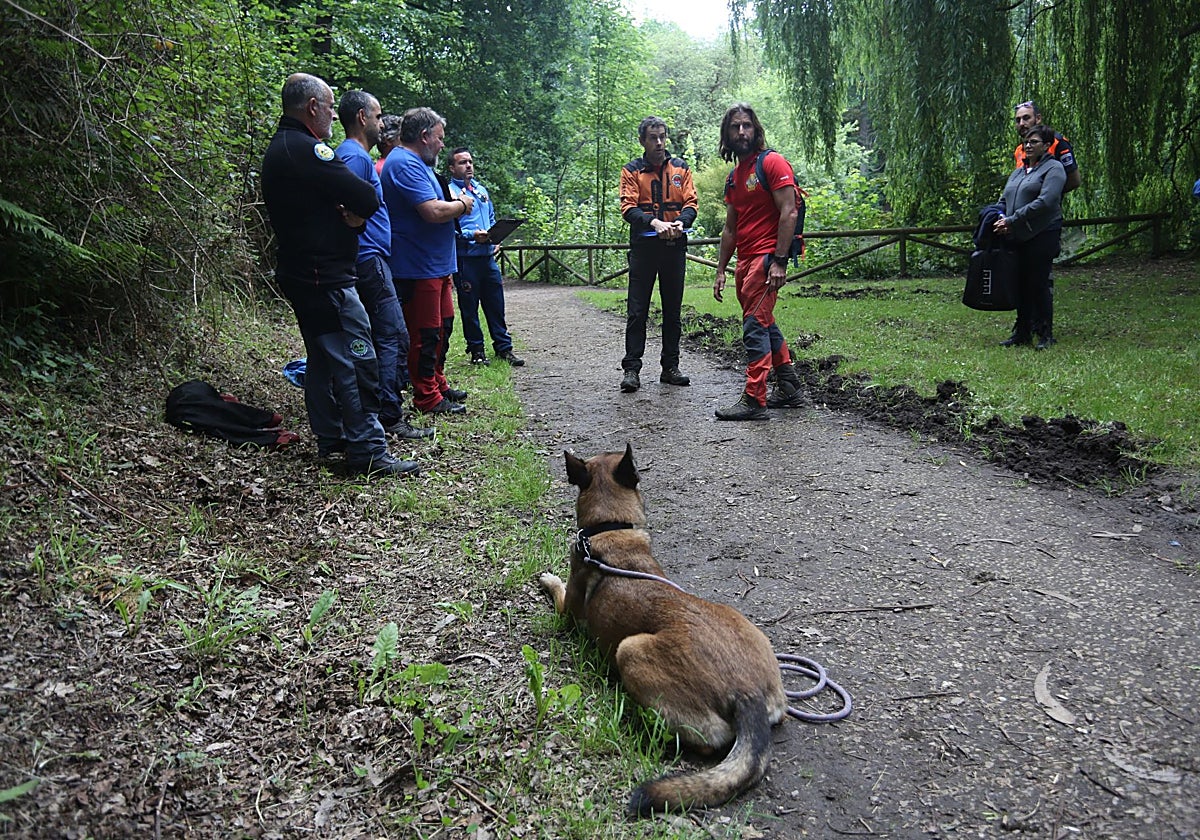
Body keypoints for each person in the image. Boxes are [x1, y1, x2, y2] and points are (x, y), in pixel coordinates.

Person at [261, 73, 419, 477]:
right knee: (357, 358)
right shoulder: (307, 149)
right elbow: (367, 196)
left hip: (304, 274)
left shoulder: (281, 148)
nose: (334, 114)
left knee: (322, 357)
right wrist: (350, 210)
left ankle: (331, 437)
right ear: (312, 107)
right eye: (330, 106)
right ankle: (368, 450)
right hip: (326, 279)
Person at [334, 90, 432, 441]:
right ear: (362, 118)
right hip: (368, 260)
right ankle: (389, 416)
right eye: (377, 117)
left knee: (391, 336)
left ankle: (385, 412)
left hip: (373, 258)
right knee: (392, 336)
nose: (381, 123)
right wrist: (355, 223)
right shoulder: (354, 157)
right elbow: (341, 203)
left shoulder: (354, 156)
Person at [712, 103, 806, 421]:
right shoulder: (734, 177)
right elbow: (730, 229)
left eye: (747, 126)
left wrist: (780, 261)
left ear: (756, 130)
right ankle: (790, 386)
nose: (742, 132)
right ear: (727, 133)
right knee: (764, 322)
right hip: (744, 261)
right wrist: (721, 269)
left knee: (754, 325)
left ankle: (755, 398)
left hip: (766, 260)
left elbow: (789, 210)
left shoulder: (772, 162)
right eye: (735, 127)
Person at [380, 106, 471, 415]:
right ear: (424, 136)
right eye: (440, 138)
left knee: (443, 326)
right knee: (425, 332)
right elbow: (431, 211)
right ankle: (426, 397)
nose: (442, 145)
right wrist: (461, 205)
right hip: (418, 265)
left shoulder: (416, 163)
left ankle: (437, 382)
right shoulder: (404, 164)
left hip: (436, 264)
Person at [617, 116, 698, 392]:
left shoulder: (680, 168)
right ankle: (631, 369)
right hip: (644, 249)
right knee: (637, 310)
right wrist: (655, 223)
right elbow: (628, 208)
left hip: (674, 247)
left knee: (673, 310)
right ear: (643, 141)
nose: (660, 142)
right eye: (653, 137)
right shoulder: (631, 171)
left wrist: (680, 223)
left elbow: (691, 203)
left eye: (663, 136)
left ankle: (670, 367)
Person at [446, 147, 525, 367]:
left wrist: (495, 236)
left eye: (470, 161)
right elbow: (448, 229)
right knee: (470, 307)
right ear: (452, 167)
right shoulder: (449, 193)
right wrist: (472, 236)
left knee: (496, 304)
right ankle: (477, 350)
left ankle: (504, 348)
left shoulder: (481, 190)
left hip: (487, 257)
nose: (468, 165)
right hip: (466, 258)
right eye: (462, 162)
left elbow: (490, 216)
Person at [992, 124, 1066, 350]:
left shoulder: (1054, 169)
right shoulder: (1018, 172)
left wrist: (1012, 220)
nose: (1028, 145)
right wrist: (998, 217)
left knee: (1039, 283)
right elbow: (1004, 199)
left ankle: (1045, 333)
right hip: (1017, 235)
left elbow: (1046, 202)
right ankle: (1022, 331)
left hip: (1043, 234)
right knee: (1020, 283)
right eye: (1026, 142)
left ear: (1046, 145)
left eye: (1034, 142)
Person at [1013, 101, 1080, 193]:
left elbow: (1074, 181)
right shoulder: (1019, 150)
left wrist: (1048, 195)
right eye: (1018, 120)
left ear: (1038, 118)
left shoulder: (1057, 143)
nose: (1021, 123)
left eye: (1026, 118)